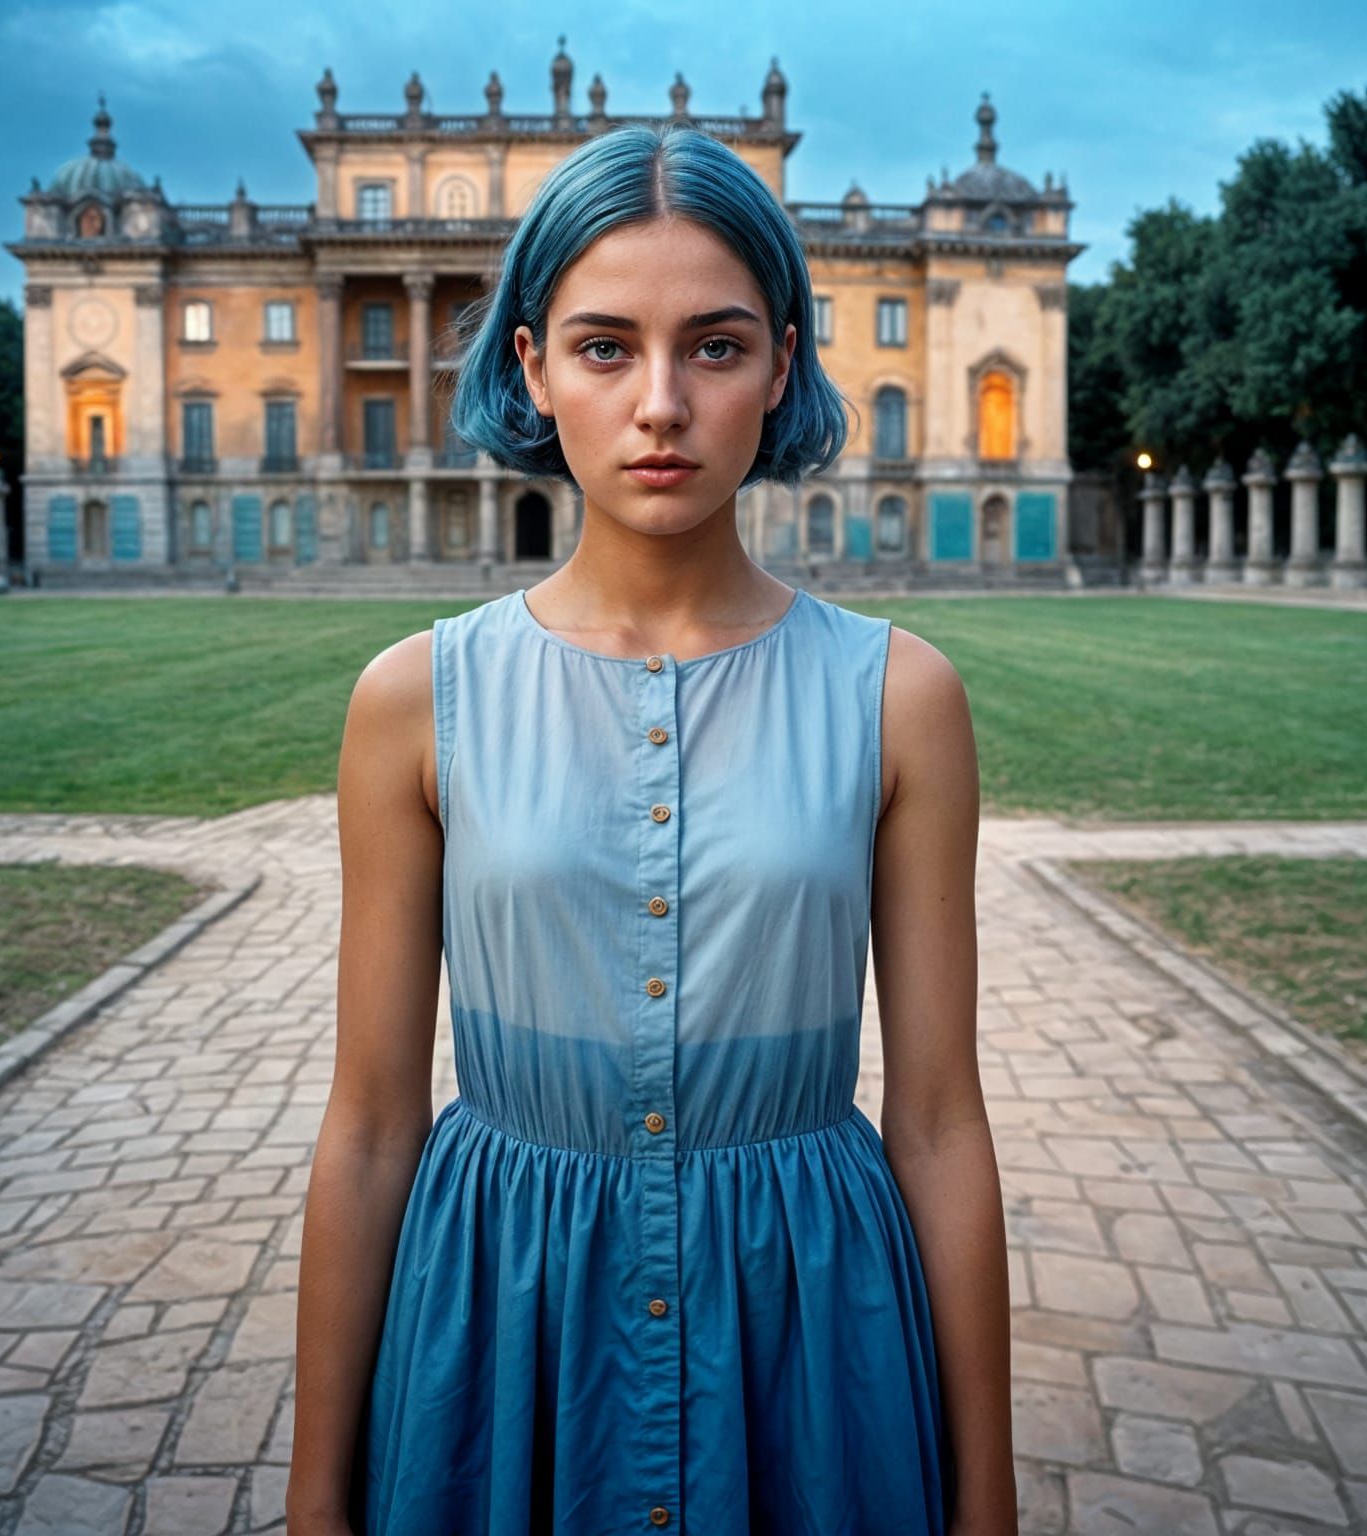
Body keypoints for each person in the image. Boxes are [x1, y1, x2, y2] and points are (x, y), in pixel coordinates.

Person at [287, 121, 1015, 1536]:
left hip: (811, 1326)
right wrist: (318, 1503)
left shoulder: (901, 698)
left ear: (785, 366)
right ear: (531, 368)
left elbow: (937, 1124)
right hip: (505, 1318)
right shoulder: (410, 702)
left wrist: (985, 1504)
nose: (662, 404)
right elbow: (372, 1128)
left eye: (718, 347)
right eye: (607, 346)